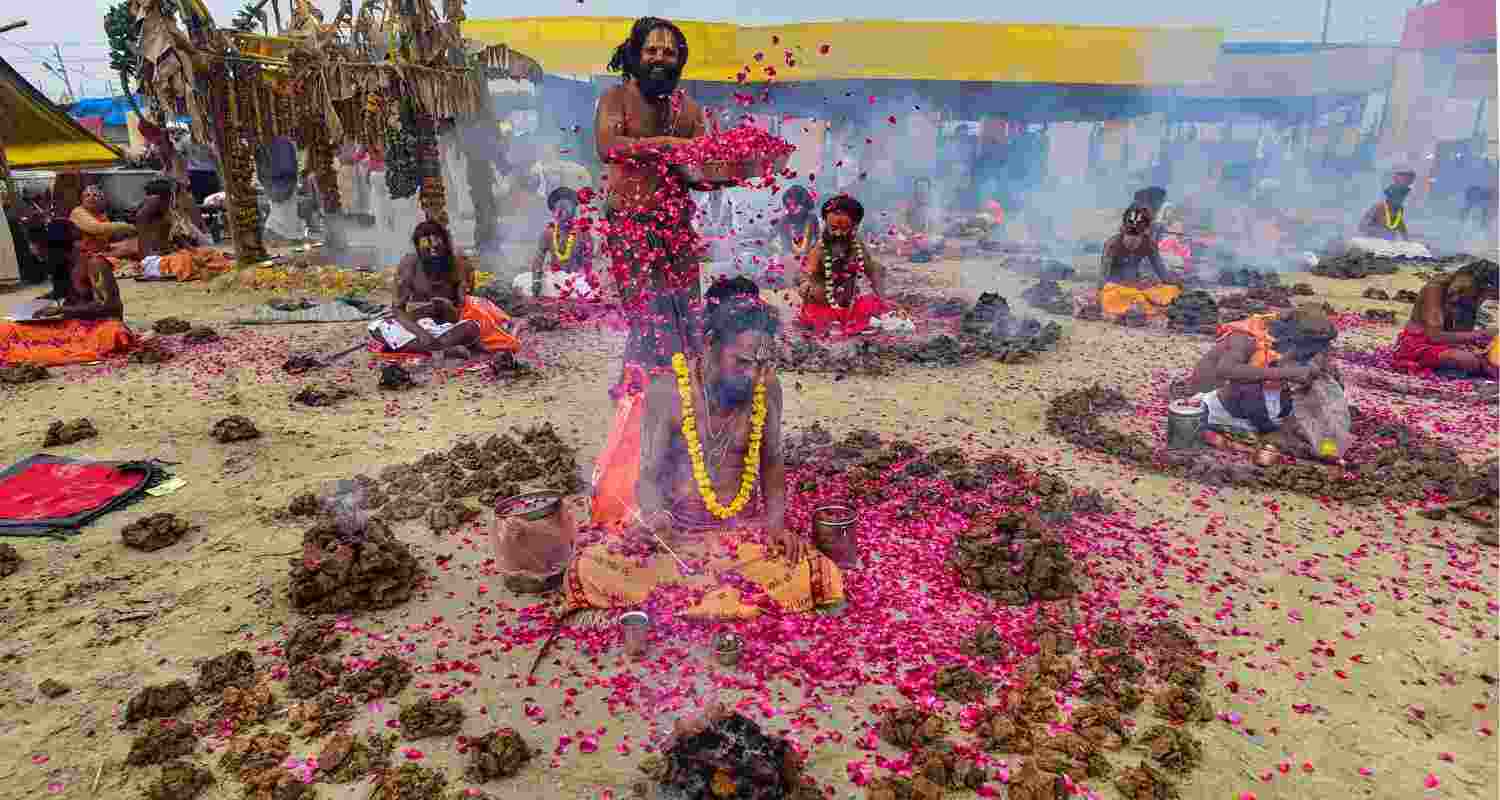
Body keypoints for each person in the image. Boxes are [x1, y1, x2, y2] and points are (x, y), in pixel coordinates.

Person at [567, 293, 845, 619]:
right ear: (710, 344)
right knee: (588, 568)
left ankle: (690, 605)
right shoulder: (667, 392)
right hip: (678, 539)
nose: (753, 374)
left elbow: (771, 464)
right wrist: (655, 516)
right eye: (742, 362)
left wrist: (775, 525)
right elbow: (648, 476)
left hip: (744, 538)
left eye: (762, 363)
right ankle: (729, 605)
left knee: (821, 574)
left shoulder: (767, 388)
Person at [594, 16, 711, 391]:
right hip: (630, 223)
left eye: (669, 52)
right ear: (636, 54)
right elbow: (608, 147)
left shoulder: (690, 111)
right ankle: (635, 387)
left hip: (675, 227)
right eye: (652, 50)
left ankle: (685, 389)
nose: (660, 58)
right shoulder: (616, 99)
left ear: (680, 60)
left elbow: (696, 171)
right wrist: (667, 145)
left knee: (685, 309)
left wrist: (718, 175)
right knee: (645, 313)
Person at [1179, 305, 1340, 439]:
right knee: (1252, 388)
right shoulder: (1245, 337)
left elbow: (1313, 364)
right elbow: (1226, 370)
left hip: (1254, 400)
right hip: (1220, 402)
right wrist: (1290, 373)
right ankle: (1266, 429)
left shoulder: (1285, 344)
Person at [367, 222, 520, 357]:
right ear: (418, 249)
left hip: (448, 329)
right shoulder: (409, 264)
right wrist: (422, 334)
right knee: (377, 327)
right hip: (416, 328)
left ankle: (424, 348)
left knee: (472, 327)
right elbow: (398, 310)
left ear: (445, 244)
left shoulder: (459, 263)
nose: (433, 252)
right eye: (427, 249)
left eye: (437, 247)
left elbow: (463, 310)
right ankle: (443, 350)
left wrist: (447, 308)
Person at [0, 220, 135, 366]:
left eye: (44, 254)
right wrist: (39, 303)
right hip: (70, 326)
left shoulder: (94, 264)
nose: (42, 260)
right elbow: (66, 294)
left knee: (114, 333)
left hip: (97, 327)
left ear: (56, 248)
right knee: (5, 330)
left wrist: (61, 310)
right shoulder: (64, 266)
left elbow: (111, 307)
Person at [797, 194, 889, 334]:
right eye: (833, 228)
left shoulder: (856, 244)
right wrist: (806, 286)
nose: (838, 233)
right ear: (826, 224)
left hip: (851, 304)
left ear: (854, 226)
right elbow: (806, 274)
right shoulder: (820, 248)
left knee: (878, 268)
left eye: (844, 228)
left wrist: (882, 299)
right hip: (824, 304)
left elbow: (871, 270)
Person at [1392, 259, 1499, 378]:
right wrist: (1480, 335)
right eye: (1459, 290)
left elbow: (1461, 334)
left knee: (1485, 355)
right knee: (1465, 359)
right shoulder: (1435, 288)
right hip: (1417, 344)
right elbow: (1434, 336)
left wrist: (1480, 344)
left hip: (1446, 345)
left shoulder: (1472, 296)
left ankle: (1468, 367)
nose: (1455, 298)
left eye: (1464, 294)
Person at [1096, 206, 1181, 318]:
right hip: (1117, 290)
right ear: (1123, 230)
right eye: (1129, 237)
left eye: (1136, 238)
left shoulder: (1149, 244)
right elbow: (1103, 280)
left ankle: (1141, 305)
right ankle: (1144, 306)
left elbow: (1162, 273)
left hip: (1139, 290)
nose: (1132, 241)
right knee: (1110, 295)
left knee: (1171, 291)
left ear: (1145, 233)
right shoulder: (1112, 244)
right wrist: (1117, 287)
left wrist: (1176, 285)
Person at [527, 187, 595, 298]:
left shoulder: (583, 233)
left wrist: (583, 277)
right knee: (523, 282)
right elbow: (538, 259)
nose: (565, 213)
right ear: (554, 212)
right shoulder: (548, 234)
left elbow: (587, 262)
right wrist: (536, 281)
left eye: (569, 208)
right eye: (560, 209)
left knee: (582, 288)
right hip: (554, 280)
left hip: (576, 281)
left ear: (574, 211)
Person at [70, 184, 137, 264]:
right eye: (87, 195)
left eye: (95, 195)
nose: (91, 197)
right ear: (82, 200)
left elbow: (109, 233)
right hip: (85, 256)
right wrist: (128, 227)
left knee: (133, 246)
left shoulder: (101, 215)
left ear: (101, 200)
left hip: (101, 251)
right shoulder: (78, 212)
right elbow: (97, 228)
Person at [770, 185, 818, 285]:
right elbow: (773, 240)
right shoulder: (784, 220)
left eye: (795, 204)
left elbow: (818, 240)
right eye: (788, 205)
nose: (792, 208)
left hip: (810, 262)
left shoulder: (812, 219)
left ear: (805, 203)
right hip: (788, 262)